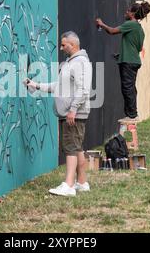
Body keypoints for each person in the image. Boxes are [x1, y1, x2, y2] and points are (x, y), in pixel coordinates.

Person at [25, 31, 92, 197]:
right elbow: (58, 85)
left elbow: (84, 90)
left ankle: (68, 185)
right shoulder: (71, 62)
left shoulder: (80, 63)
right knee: (77, 148)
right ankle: (82, 183)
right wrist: (36, 85)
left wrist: (73, 110)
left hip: (73, 114)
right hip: (71, 113)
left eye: (64, 45)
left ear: (73, 44)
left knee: (70, 148)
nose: (61, 48)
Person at [95, 1, 150, 123]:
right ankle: (131, 114)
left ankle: (132, 115)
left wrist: (101, 24)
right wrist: (122, 54)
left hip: (129, 61)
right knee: (130, 87)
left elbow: (112, 31)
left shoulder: (131, 24)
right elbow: (137, 47)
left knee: (127, 88)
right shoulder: (140, 29)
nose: (126, 12)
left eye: (128, 10)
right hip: (133, 60)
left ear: (133, 13)